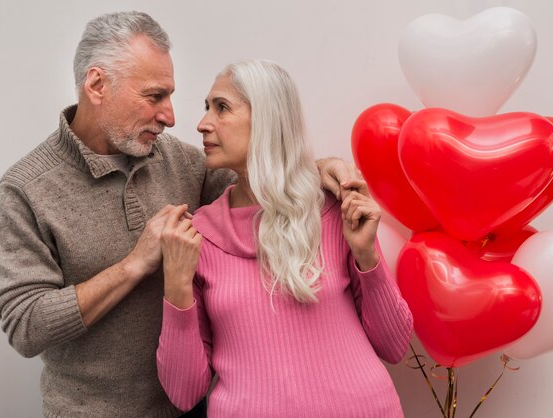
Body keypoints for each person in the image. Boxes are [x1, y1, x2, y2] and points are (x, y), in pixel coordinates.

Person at [0, 12, 356, 418]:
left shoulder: (184, 163)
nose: (171, 116)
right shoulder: (25, 190)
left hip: (196, 406)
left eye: (170, 95)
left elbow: (261, 187)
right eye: (154, 96)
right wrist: (134, 265)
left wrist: (321, 169)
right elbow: (26, 326)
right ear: (97, 85)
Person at [156, 59, 414, 417]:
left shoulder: (334, 210)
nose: (202, 124)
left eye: (222, 108)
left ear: (267, 118)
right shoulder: (197, 238)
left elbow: (395, 346)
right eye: (206, 108)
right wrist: (176, 286)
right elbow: (184, 394)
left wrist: (367, 256)